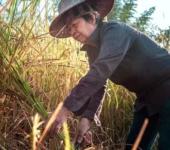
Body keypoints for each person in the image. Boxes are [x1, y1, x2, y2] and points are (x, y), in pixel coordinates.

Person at [44, 0, 170, 149]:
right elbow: (99, 85)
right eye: (69, 29)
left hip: (167, 88)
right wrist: (87, 118)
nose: (72, 32)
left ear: (91, 18)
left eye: (75, 25)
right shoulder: (93, 50)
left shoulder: (115, 31)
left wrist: (65, 108)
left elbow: (99, 72)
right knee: (133, 146)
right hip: (145, 100)